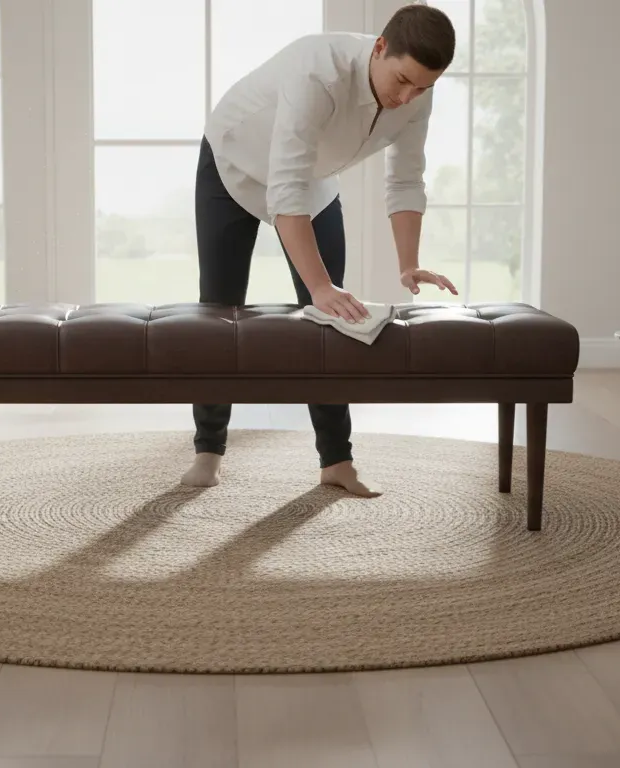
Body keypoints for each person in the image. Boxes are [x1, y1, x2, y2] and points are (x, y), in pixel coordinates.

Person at [181, 4, 459, 495]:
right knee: (221, 309)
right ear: (378, 49)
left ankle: (337, 461)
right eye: (402, 81)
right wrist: (318, 285)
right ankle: (208, 449)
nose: (408, 97)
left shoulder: (416, 94)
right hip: (235, 161)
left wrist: (408, 263)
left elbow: (406, 180)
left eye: (423, 87)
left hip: (310, 177)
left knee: (334, 317)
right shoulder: (319, 69)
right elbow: (282, 188)